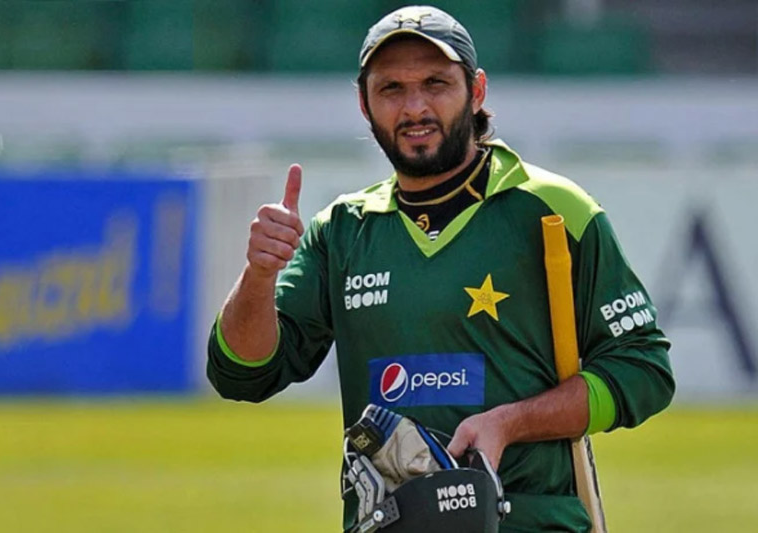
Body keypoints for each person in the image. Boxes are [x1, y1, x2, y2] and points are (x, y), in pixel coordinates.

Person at [207, 5, 675, 532]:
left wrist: (509, 424)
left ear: (476, 92)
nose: (415, 108)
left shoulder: (552, 210)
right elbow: (243, 374)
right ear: (364, 103)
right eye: (391, 89)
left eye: (436, 84)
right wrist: (260, 275)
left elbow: (644, 371)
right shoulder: (341, 231)